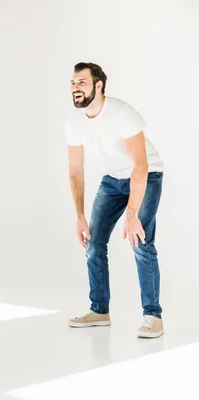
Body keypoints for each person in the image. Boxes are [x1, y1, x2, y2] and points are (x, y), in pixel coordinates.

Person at [65, 62, 165, 338]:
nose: (75, 88)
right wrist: (79, 215)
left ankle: (153, 316)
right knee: (94, 241)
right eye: (73, 83)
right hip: (112, 180)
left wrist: (132, 214)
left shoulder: (122, 114)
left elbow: (141, 166)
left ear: (99, 85)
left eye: (82, 82)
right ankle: (99, 310)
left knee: (141, 242)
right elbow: (75, 171)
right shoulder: (74, 121)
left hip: (146, 175)